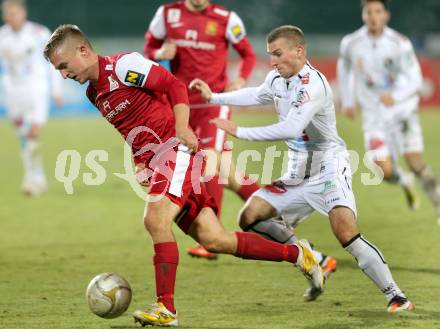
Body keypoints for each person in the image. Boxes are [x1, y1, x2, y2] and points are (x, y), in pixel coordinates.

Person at [44, 24, 324, 327]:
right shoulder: (93, 92)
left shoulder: (124, 66)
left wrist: (181, 129)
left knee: (155, 220)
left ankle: (166, 309)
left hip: (176, 151)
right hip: (158, 163)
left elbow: (173, 85)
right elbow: (131, 129)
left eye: (63, 65)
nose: (63, 74)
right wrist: (140, 162)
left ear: (83, 50)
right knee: (214, 239)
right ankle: (297, 255)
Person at [190, 25, 414, 312]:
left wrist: (239, 131)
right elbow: (257, 94)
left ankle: (396, 295)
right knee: (250, 215)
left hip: (328, 168)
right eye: (270, 55)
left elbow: (291, 127)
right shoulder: (277, 78)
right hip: (296, 172)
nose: (272, 61)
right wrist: (214, 98)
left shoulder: (313, 85)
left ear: (299, 50)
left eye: (278, 54)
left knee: (345, 232)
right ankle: (306, 254)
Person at [144, 0, 260, 259]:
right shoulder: (167, 14)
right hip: (181, 105)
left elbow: (248, 54)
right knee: (228, 174)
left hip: (213, 102)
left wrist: (240, 79)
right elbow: (149, 47)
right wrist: (161, 53)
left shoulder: (225, 18)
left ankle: (212, 236)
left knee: (207, 161)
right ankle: (277, 210)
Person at [337, 0, 440, 219]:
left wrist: (395, 96)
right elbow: (344, 67)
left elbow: (415, 78)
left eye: (378, 11)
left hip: (402, 111)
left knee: (415, 161)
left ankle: (438, 200)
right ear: (363, 15)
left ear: (386, 15)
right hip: (374, 116)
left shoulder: (399, 43)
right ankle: (404, 180)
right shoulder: (351, 43)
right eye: (369, 12)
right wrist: (347, 100)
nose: (373, 16)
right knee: (382, 169)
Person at [0, 0, 63, 195]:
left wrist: (56, 89)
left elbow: (53, 61)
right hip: (13, 91)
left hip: (36, 88)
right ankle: (35, 175)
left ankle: (32, 179)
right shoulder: (2, 36)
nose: (13, 18)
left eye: (16, 13)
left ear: (23, 13)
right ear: (5, 16)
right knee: (23, 134)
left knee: (32, 131)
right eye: (9, 14)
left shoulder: (39, 33)